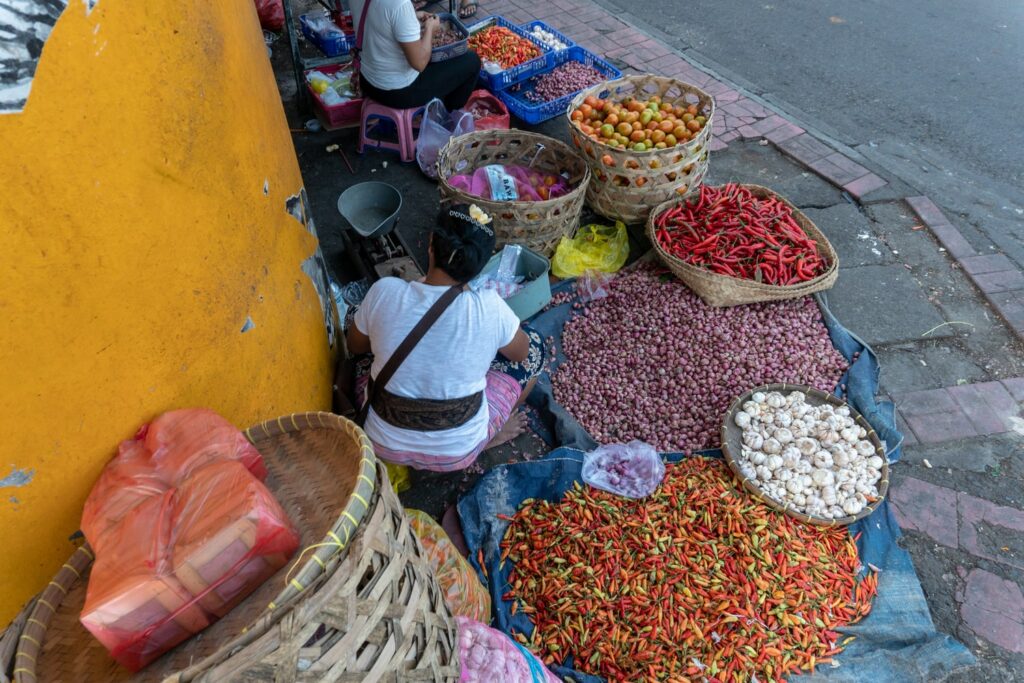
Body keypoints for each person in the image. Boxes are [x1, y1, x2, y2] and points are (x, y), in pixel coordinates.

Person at [346, 204, 546, 472]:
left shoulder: (384, 292)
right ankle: (488, 436)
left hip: (380, 443)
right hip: (457, 453)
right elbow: (522, 354)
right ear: (481, 265)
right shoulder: (490, 307)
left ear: (430, 244)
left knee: (361, 341)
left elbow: (355, 346)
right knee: (534, 347)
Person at [350, 0, 481, 111]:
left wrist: (412, 16)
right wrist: (430, 29)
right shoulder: (400, 5)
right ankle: (448, 113)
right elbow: (419, 63)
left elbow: (379, 17)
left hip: (367, 81)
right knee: (472, 61)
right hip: (397, 92)